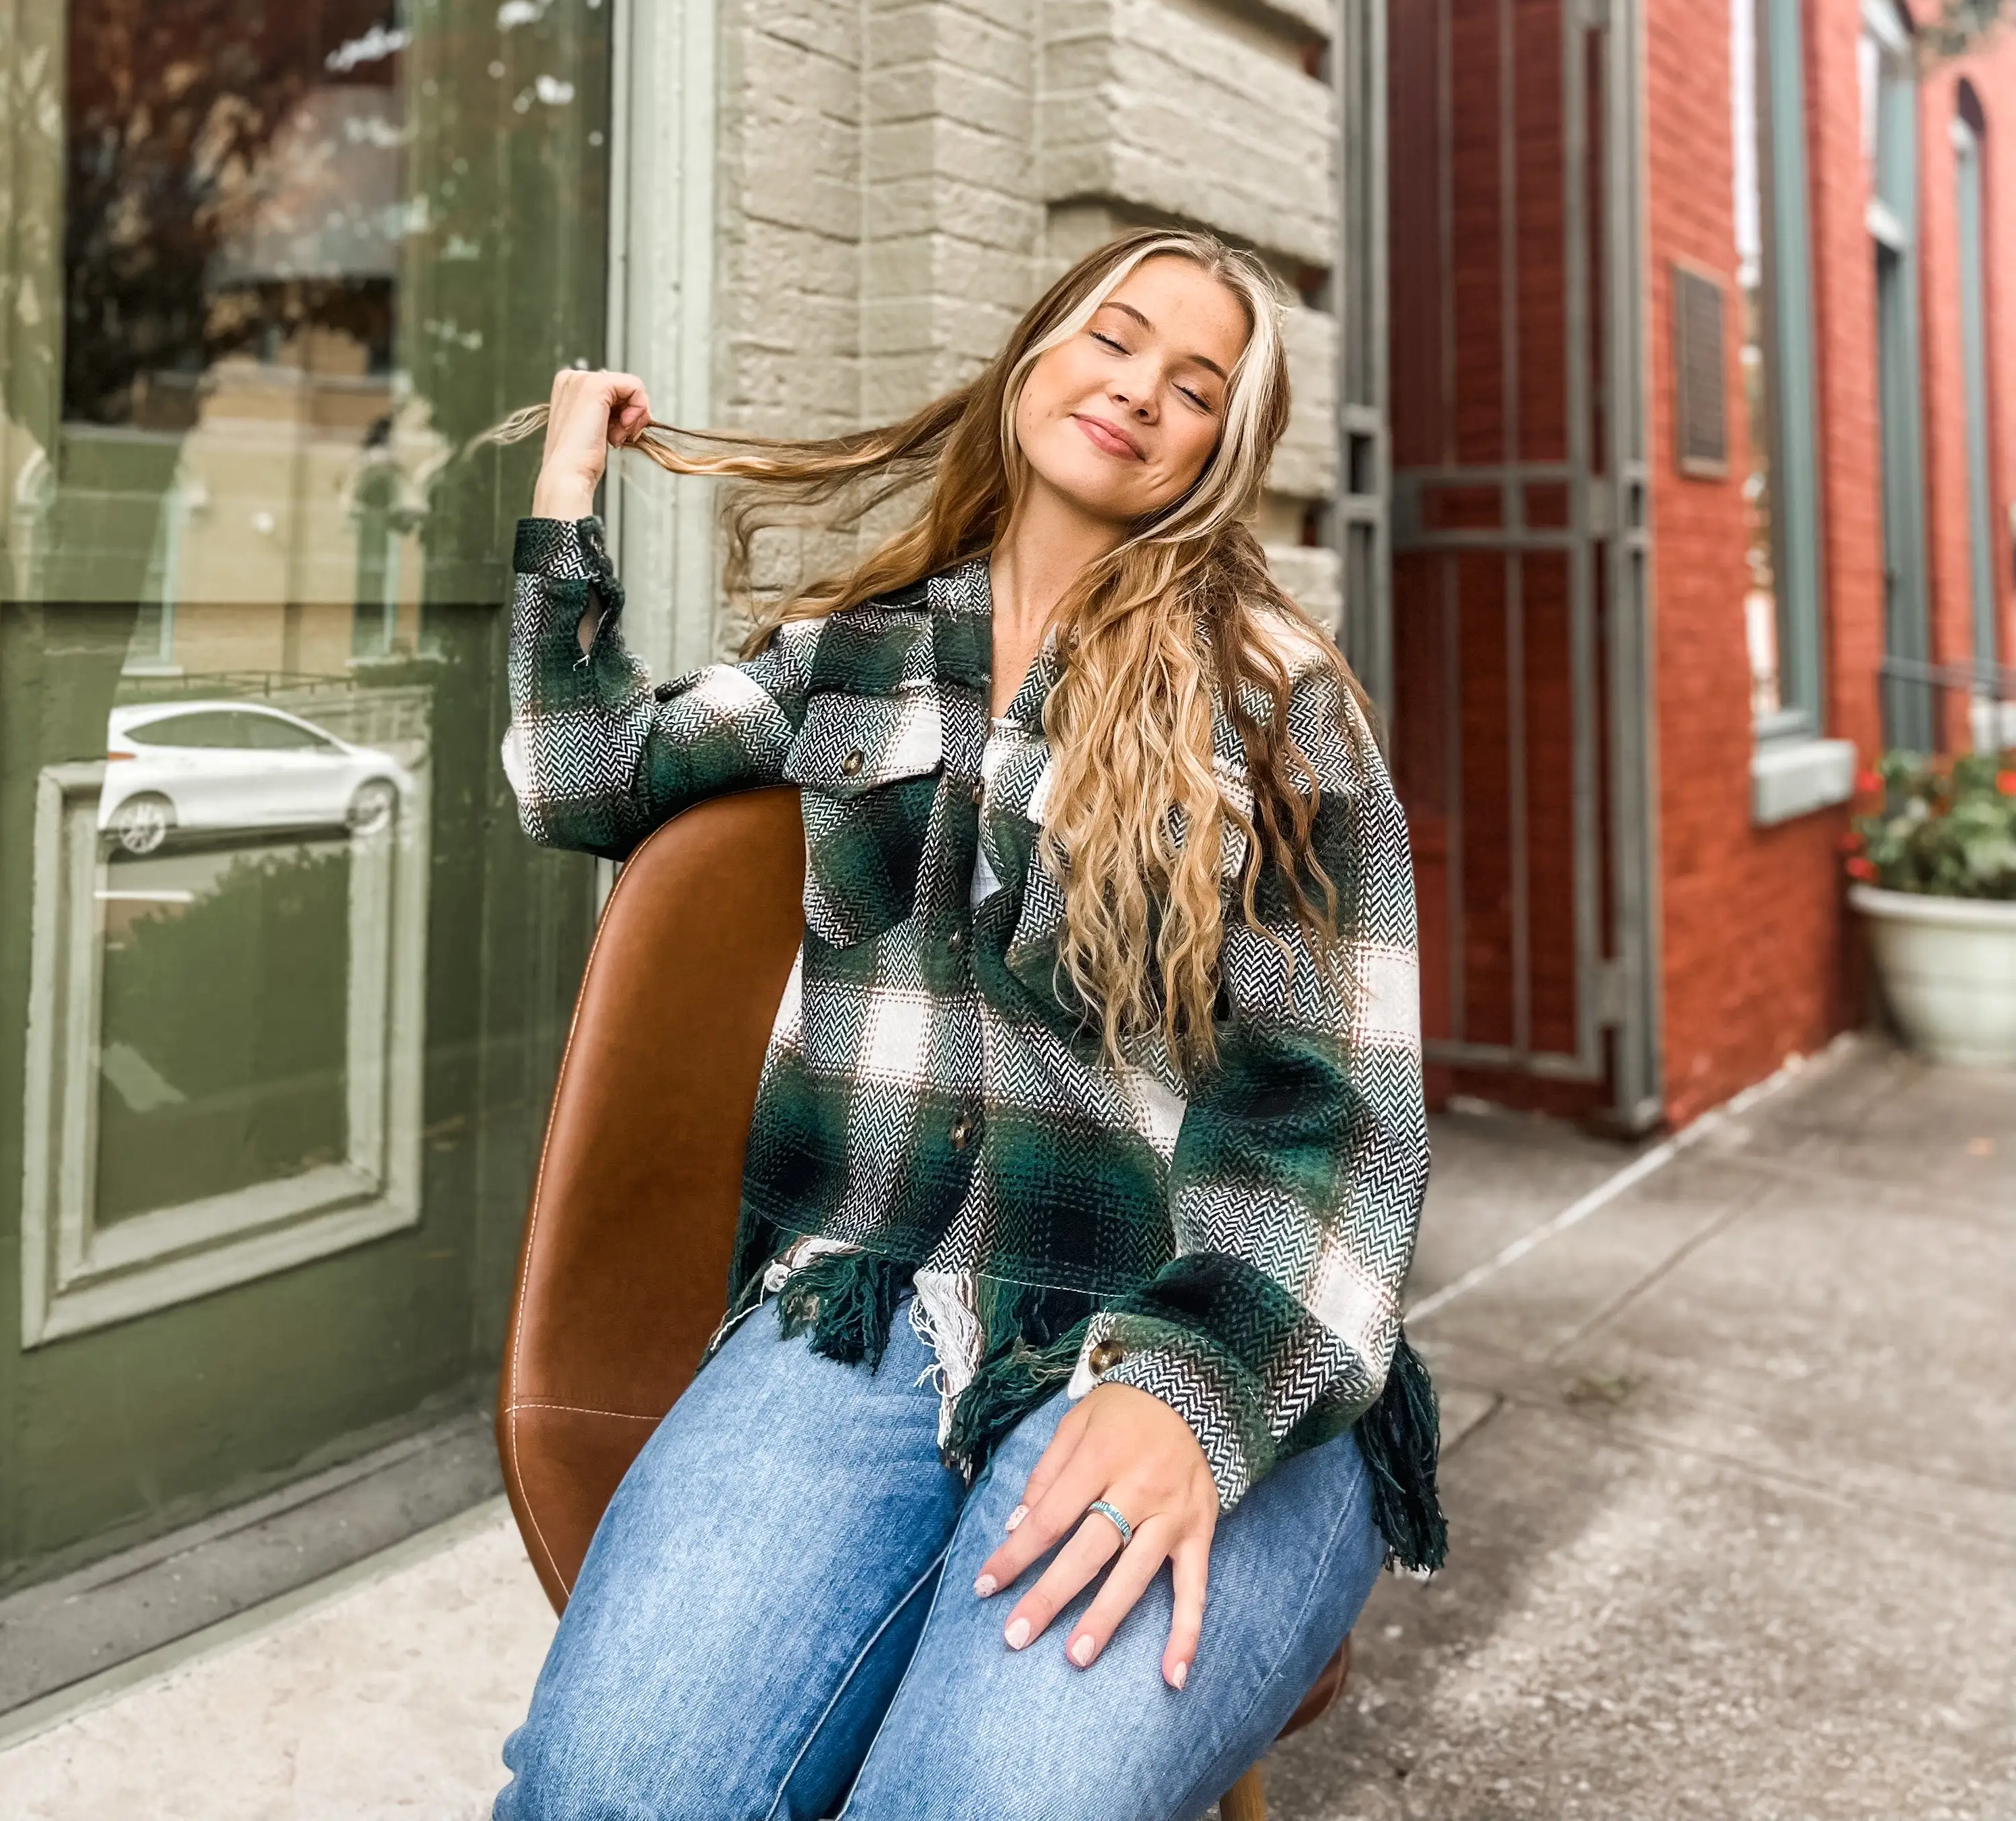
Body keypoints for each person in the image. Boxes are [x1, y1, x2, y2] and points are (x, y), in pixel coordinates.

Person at [493, 228, 1440, 1821]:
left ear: (1223, 450)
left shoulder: (1278, 704)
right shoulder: (852, 659)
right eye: (1114, 340)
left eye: (1196, 386)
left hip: (1177, 1327)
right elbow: (577, 779)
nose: (1140, 391)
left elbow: (1339, 1122)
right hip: (861, 1314)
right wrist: (567, 497)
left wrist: (1190, 1398)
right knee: (608, 1794)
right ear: (1033, 357)